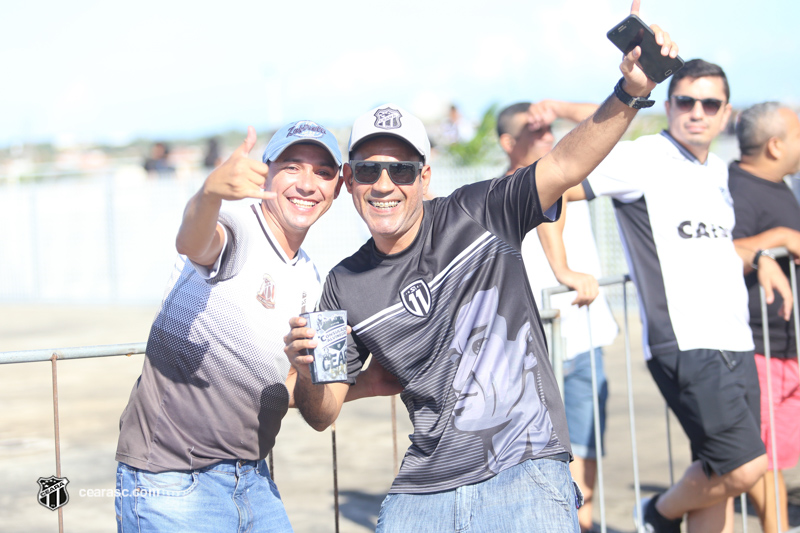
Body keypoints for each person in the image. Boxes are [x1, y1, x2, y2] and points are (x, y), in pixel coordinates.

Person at [284, 5, 679, 530]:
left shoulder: (480, 210)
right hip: (421, 490)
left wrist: (631, 91)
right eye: (368, 170)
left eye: (400, 169)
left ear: (424, 177)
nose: (384, 184)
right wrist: (310, 370)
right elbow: (323, 412)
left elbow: (564, 163)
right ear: (350, 181)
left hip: (525, 470)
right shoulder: (343, 284)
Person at [538, 60, 794, 533]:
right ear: (671, 105)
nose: (697, 112)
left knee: (719, 471)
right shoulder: (644, 157)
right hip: (688, 343)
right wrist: (564, 269)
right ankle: (655, 513)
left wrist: (761, 257)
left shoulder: (718, 170)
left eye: (709, 103)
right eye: (686, 100)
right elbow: (553, 188)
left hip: (737, 339)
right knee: (745, 467)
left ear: (725, 113)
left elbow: (719, 249)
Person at [115, 120, 391, 532]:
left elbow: (303, 402)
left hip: (253, 481)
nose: (307, 183)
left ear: (339, 186)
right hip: (173, 479)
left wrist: (366, 383)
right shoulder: (238, 225)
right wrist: (209, 192)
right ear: (266, 171)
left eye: (323, 171)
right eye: (292, 166)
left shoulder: (313, 279)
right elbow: (194, 242)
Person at [497, 100, 617, 533]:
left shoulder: (573, 175)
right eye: (536, 131)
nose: (548, 137)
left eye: (551, 130)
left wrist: (560, 108)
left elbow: (617, 123)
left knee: (586, 456)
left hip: (585, 338)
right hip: (530, 352)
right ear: (508, 143)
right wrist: (561, 269)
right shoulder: (500, 191)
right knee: (539, 471)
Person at [729, 102, 800, 533]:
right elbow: (719, 253)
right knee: (762, 457)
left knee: (780, 454)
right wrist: (773, 241)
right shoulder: (734, 188)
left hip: (787, 348)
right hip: (759, 349)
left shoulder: (782, 185)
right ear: (775, 145)